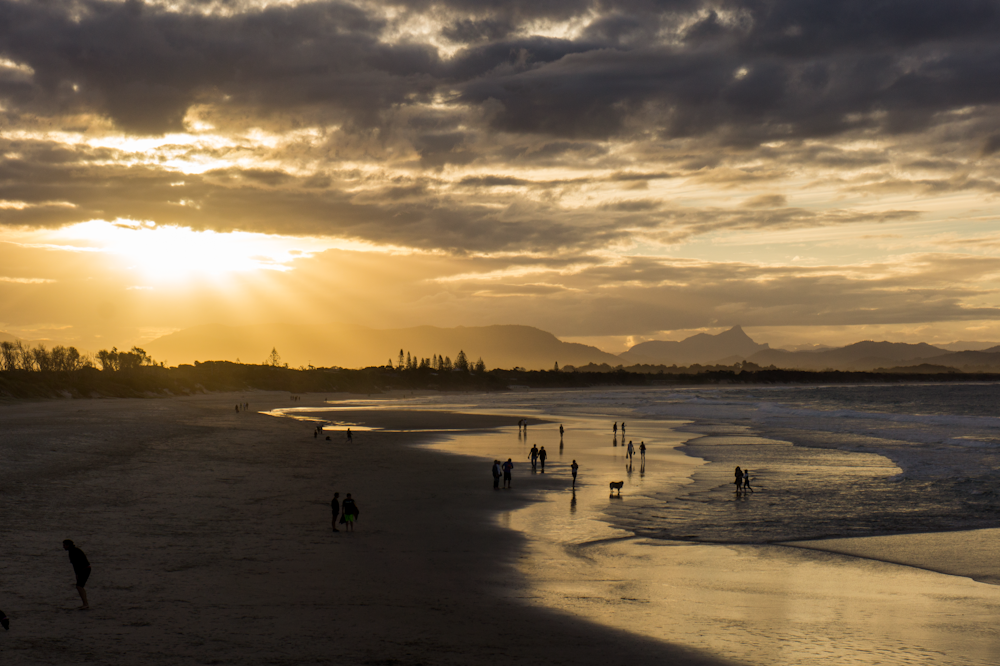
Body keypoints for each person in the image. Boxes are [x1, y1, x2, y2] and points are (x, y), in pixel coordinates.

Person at [63, 539, 90, 610]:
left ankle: (85, 604)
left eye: (64, 545)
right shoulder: (74, 550)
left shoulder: (72, 552)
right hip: (86, 569)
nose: (63, 547)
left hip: (84, 569)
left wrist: (77, 574)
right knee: (80, 586)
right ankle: (85, 603)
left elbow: (76, 564)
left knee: (79, 586)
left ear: (68, 545)